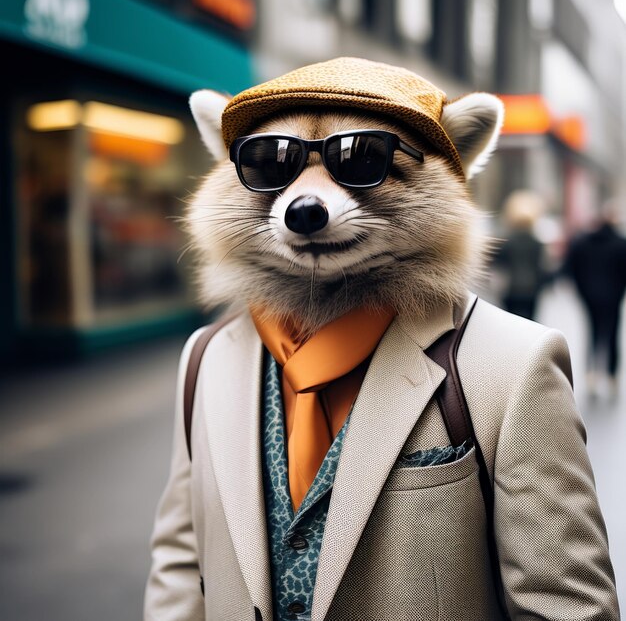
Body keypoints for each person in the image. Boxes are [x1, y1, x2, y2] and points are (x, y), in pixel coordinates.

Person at [145, 58, 619, 620]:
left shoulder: (513, 367)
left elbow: (564, 605)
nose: (304, 205)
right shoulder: (205, 360)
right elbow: (182, 559)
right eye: (273, 163)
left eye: (362, 159)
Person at [563, 201, 626, 398]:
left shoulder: (581, 242)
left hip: (589, 296)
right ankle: (611, 375)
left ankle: (590, 375)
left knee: (591, 333)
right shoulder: (620, 243)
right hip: (613, 296)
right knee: (612, 334)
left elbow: (570, 268)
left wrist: (581, 290)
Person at [494, 190, 547, 321]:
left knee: (512, 323)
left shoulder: (507, 243)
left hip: (511, 290)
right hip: (531, 289)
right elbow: (542, 267)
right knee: (530, 324)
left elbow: (498, 265)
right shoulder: (537, 243)